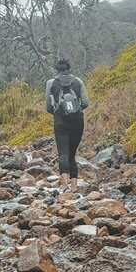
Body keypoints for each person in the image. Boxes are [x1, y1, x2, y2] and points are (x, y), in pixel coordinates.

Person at [46, 58, 89, 193]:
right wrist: (76, 111)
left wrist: (58, 112)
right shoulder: (78, 81)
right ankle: (74, 187)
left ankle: (65, 186)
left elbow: (48, 106)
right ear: (69, 68)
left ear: (57, 69)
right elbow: (86, 102)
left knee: (63, 153)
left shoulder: (51, 83)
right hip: (78, 121)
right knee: (72, 154)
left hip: (60, 122)